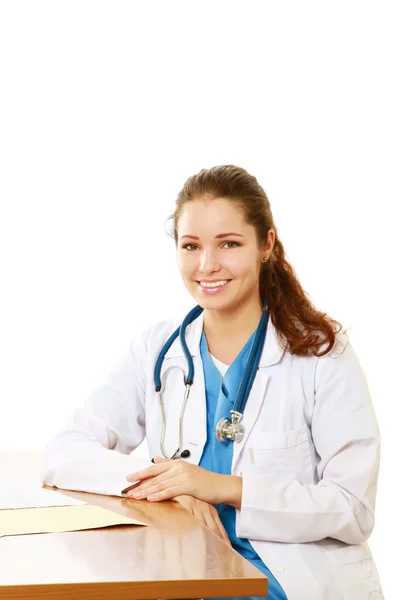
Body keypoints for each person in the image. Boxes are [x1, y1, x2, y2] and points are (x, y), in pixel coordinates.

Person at [42, 165, 384, 599]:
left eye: (229, 244)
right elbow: (64, 451)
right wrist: (172, 488)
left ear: (267, 245)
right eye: (191, 246)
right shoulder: (157, 349)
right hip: (186, 574)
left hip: (292, 582)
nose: (207, 265)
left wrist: (220, 487)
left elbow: (351, 509)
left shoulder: (320, 353)